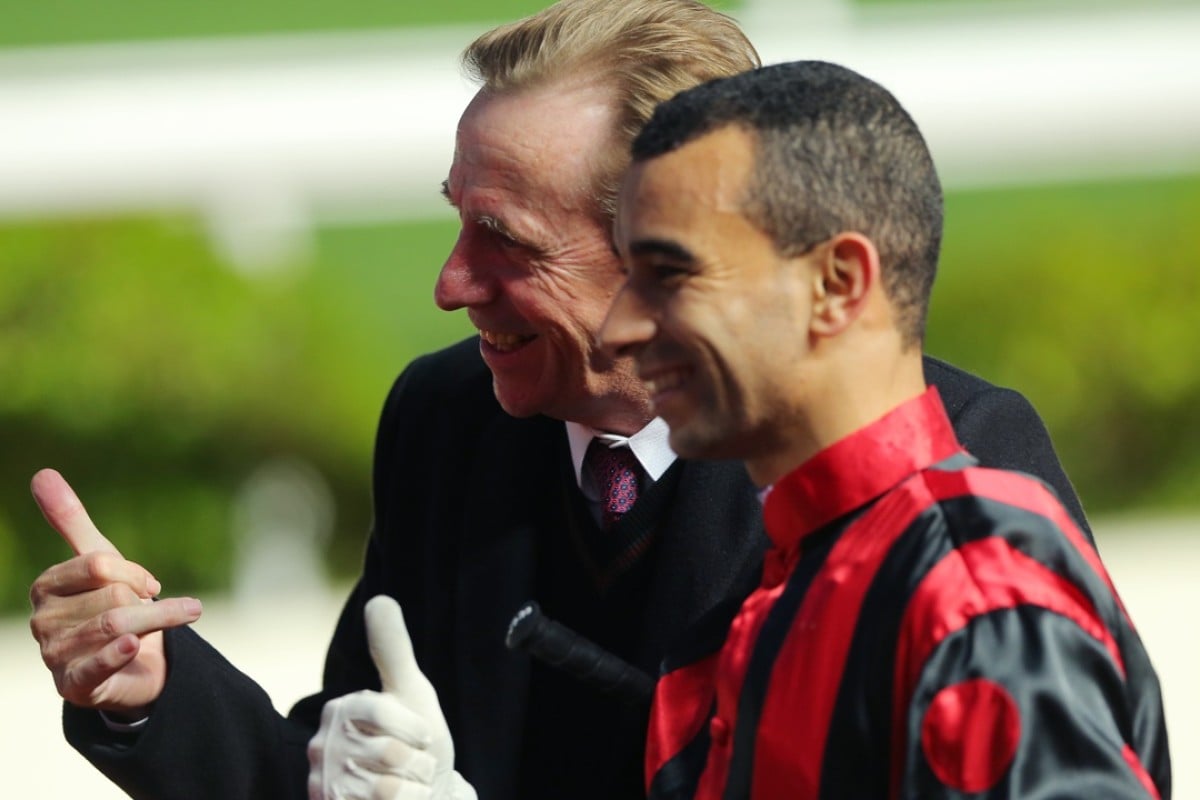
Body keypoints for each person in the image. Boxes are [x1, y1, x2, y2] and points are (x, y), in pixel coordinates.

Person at [27, 2, 1090, 799]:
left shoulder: (952, 487)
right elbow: (354, 762)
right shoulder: (449, 421)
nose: (449, 282)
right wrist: (152, 689)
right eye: (457, 220)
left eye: (510, 240)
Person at [599, 60, 1170, 799]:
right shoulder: (811, 573)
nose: (619, 327)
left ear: (838, 284)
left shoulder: (969, 586)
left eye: (668, 275)